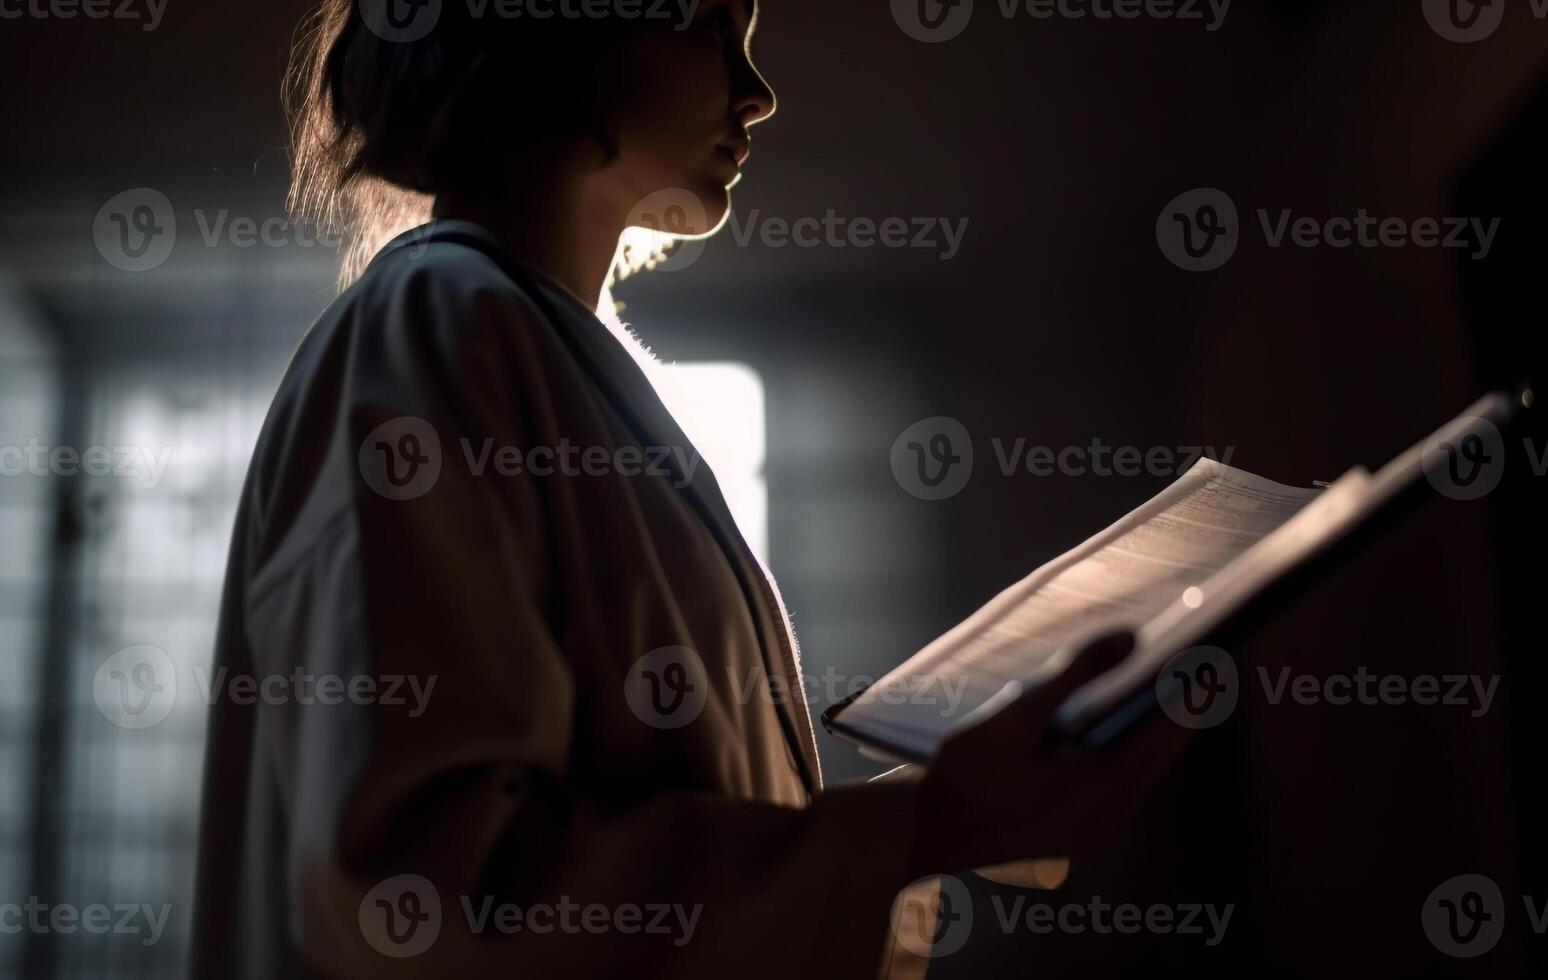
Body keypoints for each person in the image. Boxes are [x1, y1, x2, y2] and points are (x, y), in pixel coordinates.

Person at [190, 2, 1192, 977]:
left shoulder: (547, 355)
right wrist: (928, 821)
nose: (755, 96)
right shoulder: (435, 322)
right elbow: (423, 888)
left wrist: (940, 814)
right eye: (711, 28)